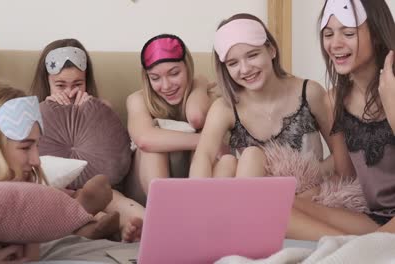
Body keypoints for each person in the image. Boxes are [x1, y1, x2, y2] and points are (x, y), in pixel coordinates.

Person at [0, 80, 117, 262]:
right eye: (25, 148)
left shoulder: (18, 196)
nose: (36, 160)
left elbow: (28, 257)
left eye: (37, 146)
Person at [189, 13, 335, 198]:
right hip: (248, 197)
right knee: (227, 162)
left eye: (252, 55)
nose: (245, 69)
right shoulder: (224, 107)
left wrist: (305, 179)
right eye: (233, 63)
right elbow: (203, 157)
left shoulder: (310, 92)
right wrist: (195, 198)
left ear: (272, 50)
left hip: (304, 196)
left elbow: (342, 155)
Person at [286, 0, 395, 241]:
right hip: (374, 217)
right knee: (277, 211)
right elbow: (344, 175)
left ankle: (366, 246)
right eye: (328, 34)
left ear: (376, 35)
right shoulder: (334, 99)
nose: (335, 44)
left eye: (348, 33)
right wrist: (301, 197)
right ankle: (357, 248)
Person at [30, 39, 143, 243]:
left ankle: (136, 223)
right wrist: (43, 111)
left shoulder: (100, 107)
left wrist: (98, 111)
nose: (70, 92)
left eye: (77, 84)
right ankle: (103, 224)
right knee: (65, 200)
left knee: (118, 201)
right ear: (47, 82)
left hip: (100, 187)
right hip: (57, 190)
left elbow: (114, 154)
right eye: (60, 85)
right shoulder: (32, 113)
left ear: (87, 82)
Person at [126, 33, 216, 203]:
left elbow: (196, 118)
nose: (166, 86)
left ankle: (195, 209)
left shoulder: (203, 95)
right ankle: (165, 211)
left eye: (174, 73)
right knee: (153, 148)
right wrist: (208, 141)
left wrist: (200, 84)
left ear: (188, 70)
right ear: (147, 78)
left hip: (189, 183)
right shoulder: (137, 100)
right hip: (143, 191)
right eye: (155, 78)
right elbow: (145, 139)